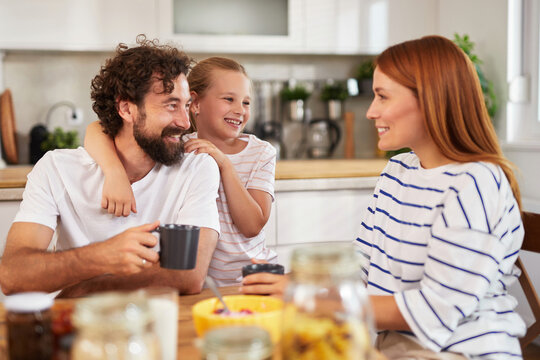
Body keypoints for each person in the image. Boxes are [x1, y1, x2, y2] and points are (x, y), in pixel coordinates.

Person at [242, 35, 526, 359]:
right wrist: (292, 281)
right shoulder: (398, 171)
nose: (370, 112)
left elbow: (436, 311)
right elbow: (361, 267)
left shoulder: (475, 184)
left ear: (430, 100)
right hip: (392, 347)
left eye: (382, 96)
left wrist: (309, 298)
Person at [0, 35, 221, 297]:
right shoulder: (56, 168)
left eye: (186, 106)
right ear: (126, 109)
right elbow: (12, 275)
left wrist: (86, 286)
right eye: (171, 105)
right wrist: (103, 256)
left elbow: (190, 275)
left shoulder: (197, 169)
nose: (186, 122)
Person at [84, 56, 277, 287]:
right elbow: (96, 129)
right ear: (194, 103)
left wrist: (224, 164)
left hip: (251, 278)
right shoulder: (178, 144)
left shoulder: (260, 153)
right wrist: (115, 174)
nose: (240, 110)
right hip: (200, 283)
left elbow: (252, 226)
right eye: (229, 99)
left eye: (246, 103)